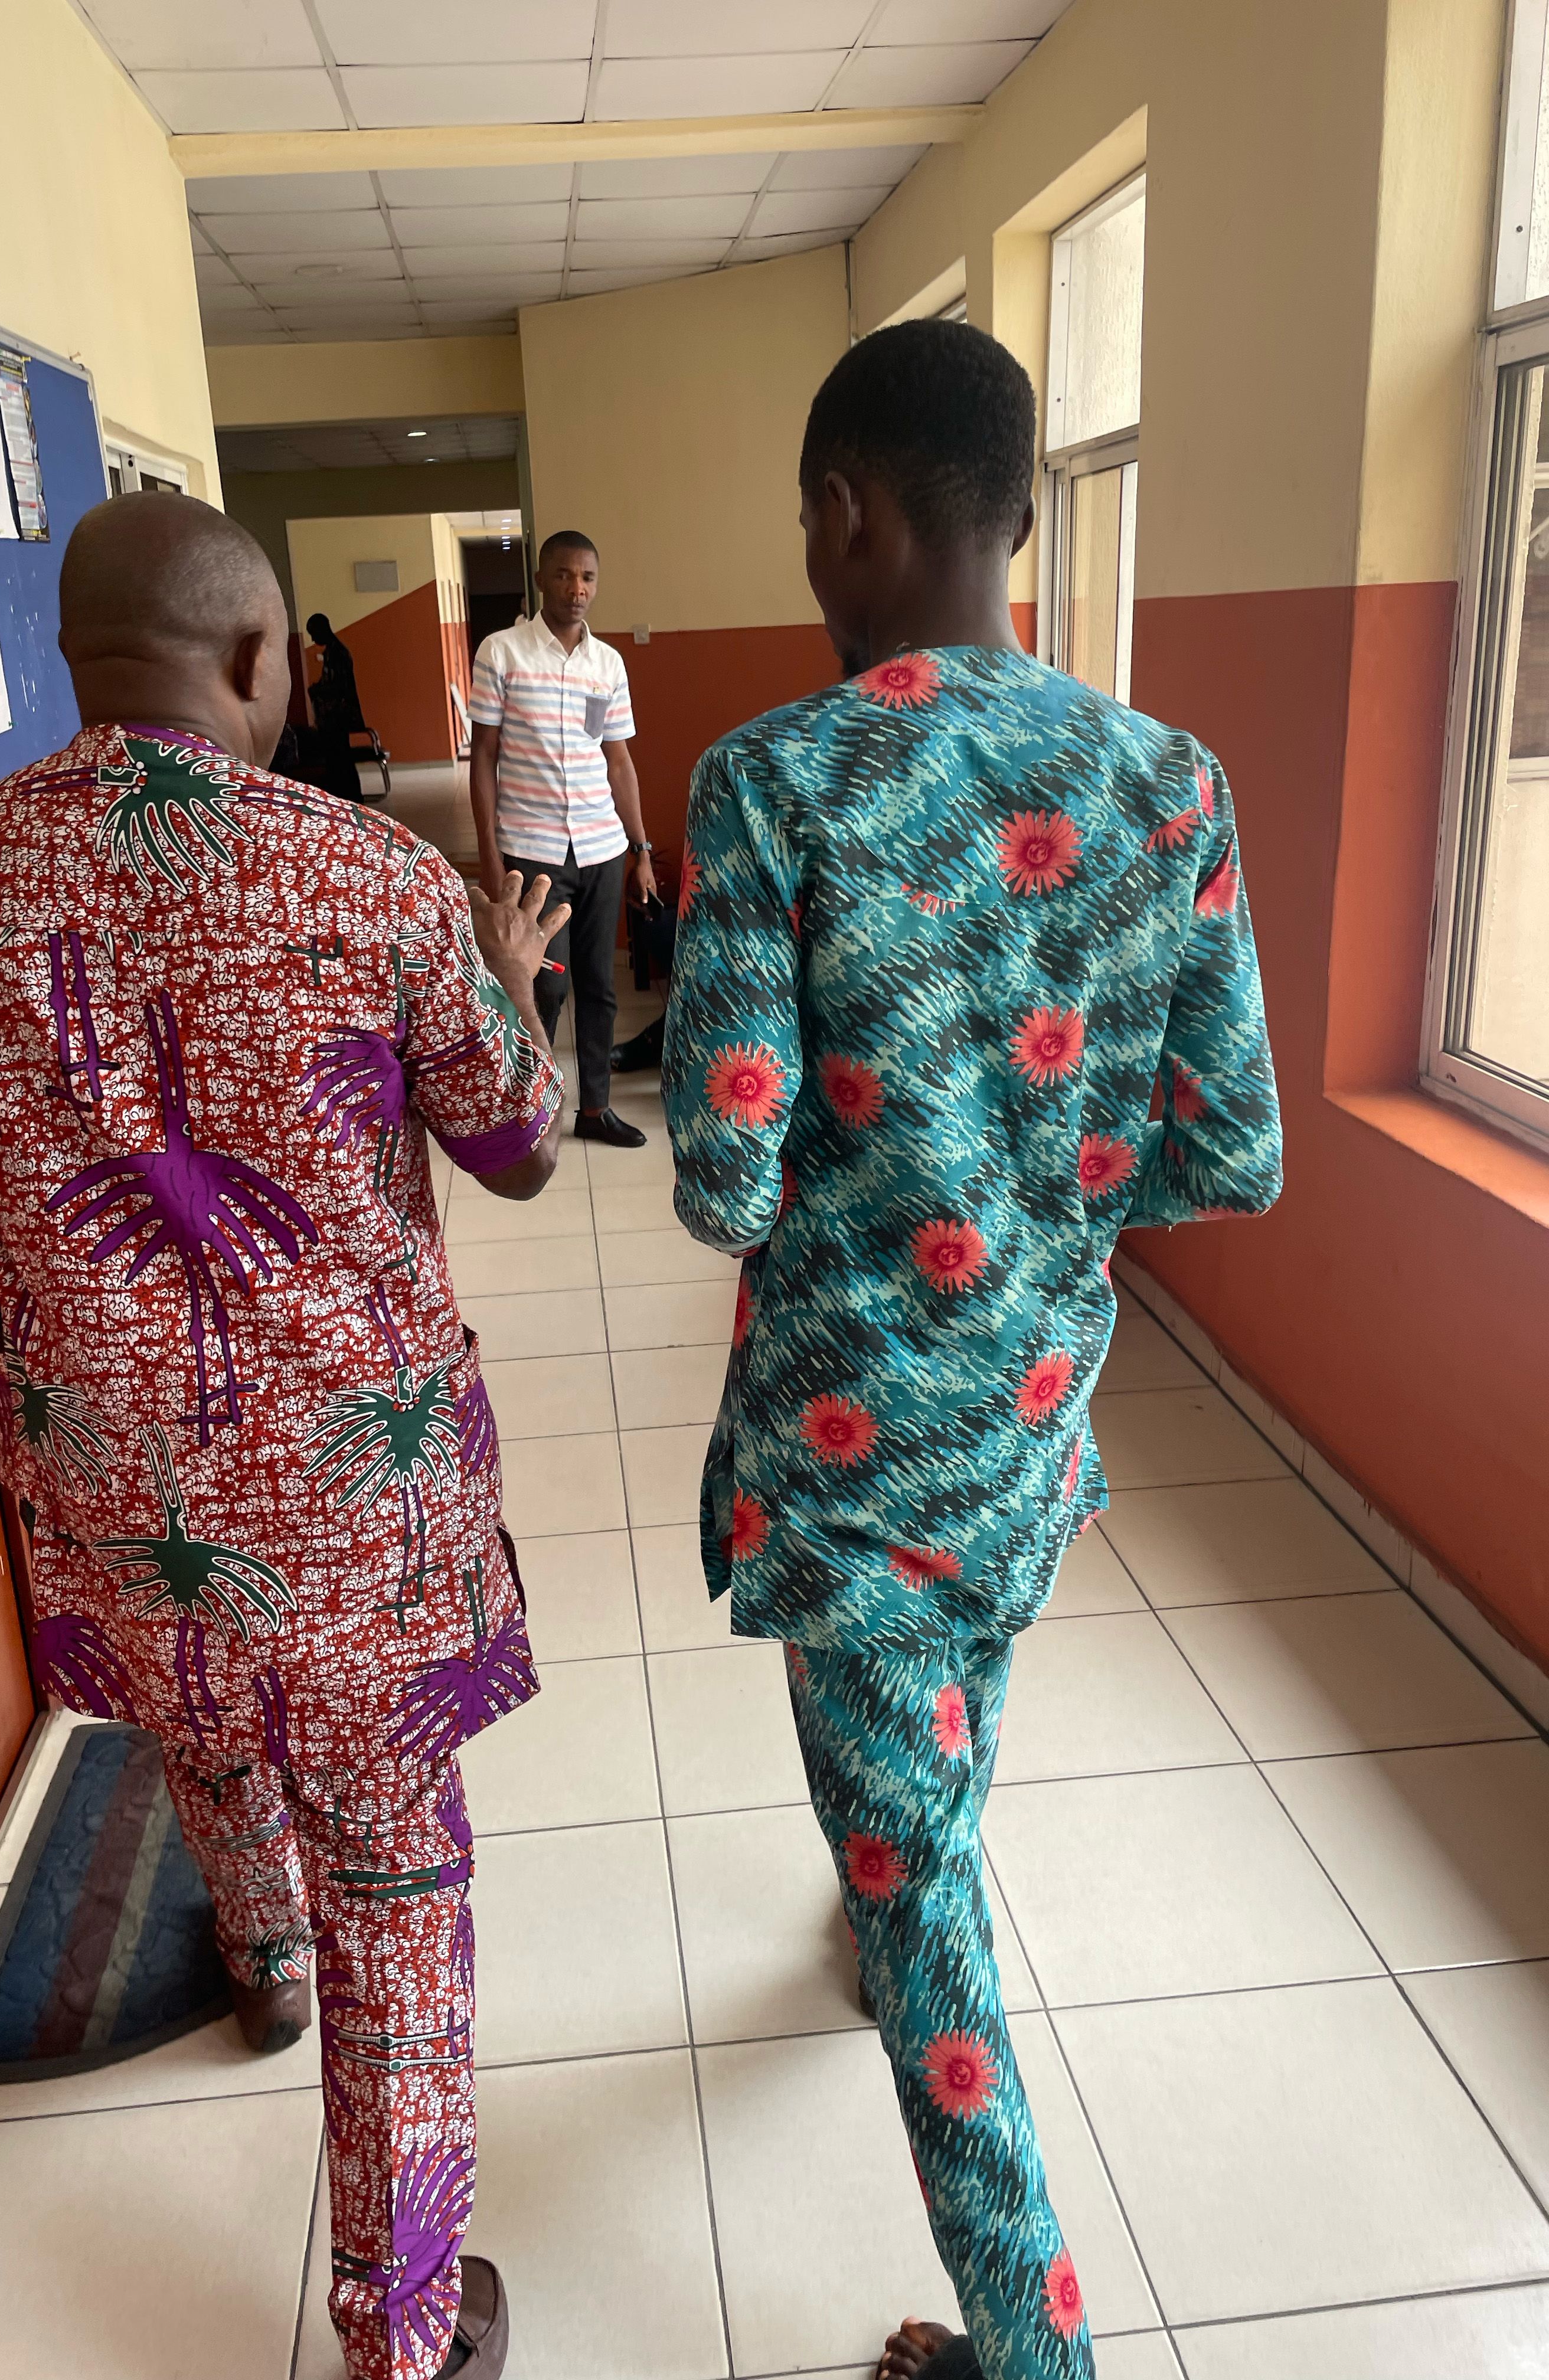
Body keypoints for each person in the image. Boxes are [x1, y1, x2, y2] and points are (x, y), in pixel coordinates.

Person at [0, 492, 572, 2380]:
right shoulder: (373, 881)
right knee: (400, 1880)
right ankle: (404, 2328)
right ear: (262, 660)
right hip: (357, 1511)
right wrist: (515, 982)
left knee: (199, 1715)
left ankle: (259, 1967)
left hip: (123, 1485)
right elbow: (516, 1149)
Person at [661, 321, 1282, 2380]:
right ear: (1015, 514)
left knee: (938, 1936)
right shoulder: (1165, 778)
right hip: (1030, 1419)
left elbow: (723, 1180)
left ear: (848, 510)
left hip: (853, 1471)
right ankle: (883, 1884)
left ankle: (1036, 2355)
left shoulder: (772, 779)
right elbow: (1231, 1148)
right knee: (936, 1790)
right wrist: (1036, 1202)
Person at [468, 529, 656, 1149]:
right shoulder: (503, 653)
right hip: (534, 849)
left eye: (588, 579)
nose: (577, 589)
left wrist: (642, 849)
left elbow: (619, 762)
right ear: (542, 578)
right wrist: (492, 860)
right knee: (543, 982)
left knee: (601, 983)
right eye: (564, 576)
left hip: (601, 848)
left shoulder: (607, 666)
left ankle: (596, 1108)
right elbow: (483, 762)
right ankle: (533, 1106)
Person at [305, 610, 388, 803]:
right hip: (335, 718)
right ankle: (347, 798)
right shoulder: (332, 652)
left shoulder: (337, 653)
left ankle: (350, 798)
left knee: (341, 761)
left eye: (313, 633)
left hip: (338, 718)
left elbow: (338, 687)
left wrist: (317, 691)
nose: (313, 638)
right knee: (339, 761)